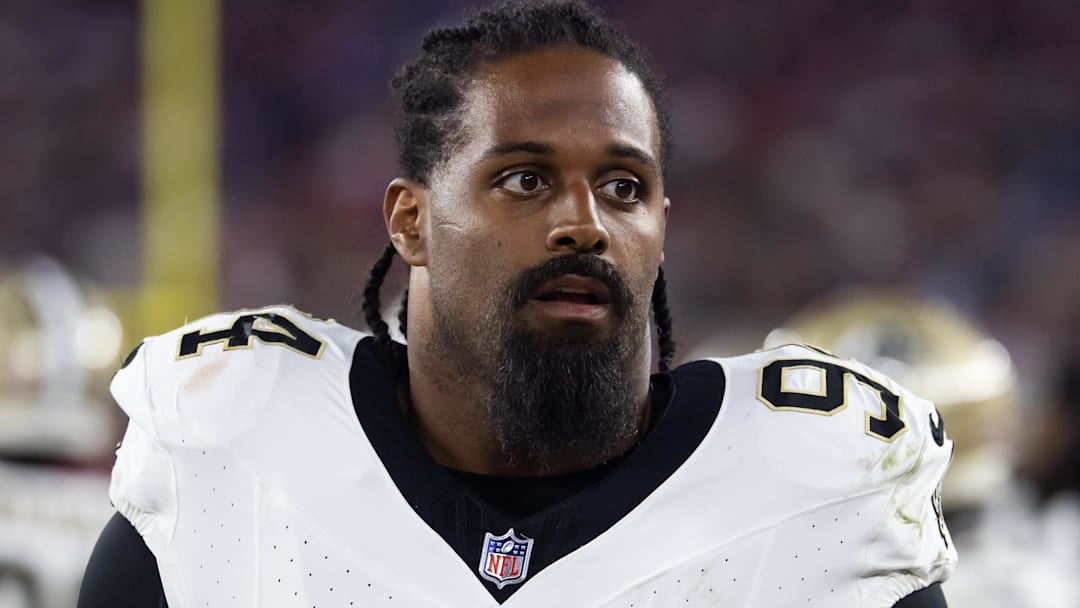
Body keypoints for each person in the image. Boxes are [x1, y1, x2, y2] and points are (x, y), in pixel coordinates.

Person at [78, 1, 956, 606]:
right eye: (525, 179)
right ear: (411, 221)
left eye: (623, 187)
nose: (584, 223)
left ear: (662, 225)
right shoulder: (235, 446)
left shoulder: (817, 491)